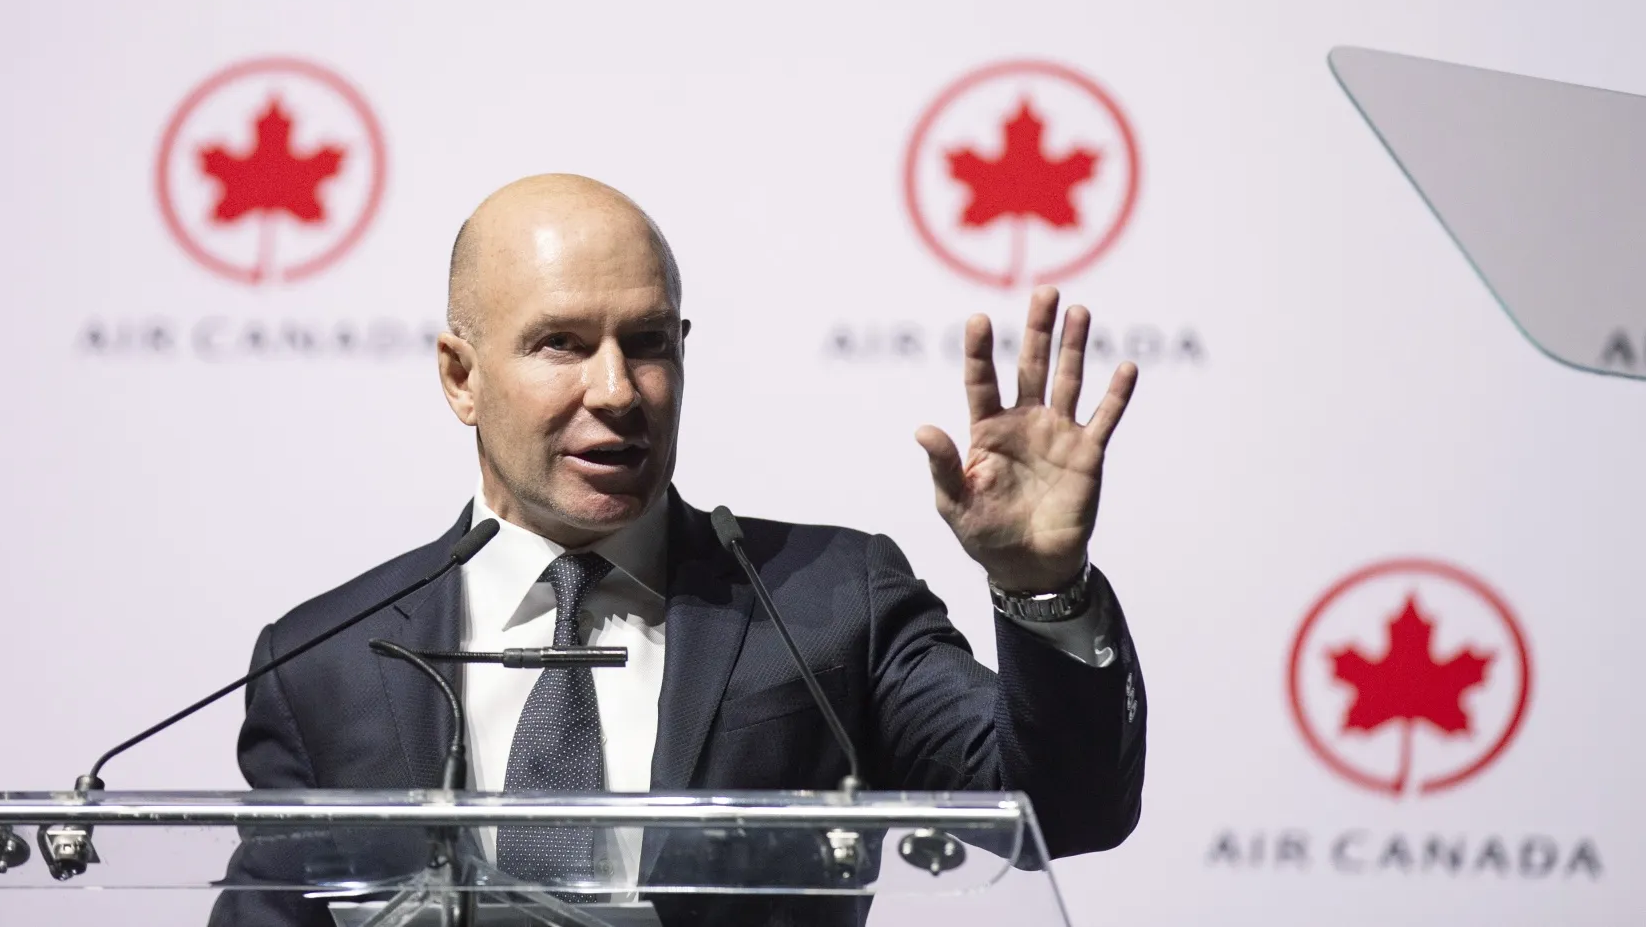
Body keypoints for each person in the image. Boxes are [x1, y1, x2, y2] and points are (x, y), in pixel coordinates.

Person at [225, 174, 1145, 921]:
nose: (619, 389)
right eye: (562, 344)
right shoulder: (324, 664)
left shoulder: (831, 600)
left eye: (649, 341)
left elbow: (1063, 807)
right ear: (461, 377)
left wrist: (1042, 585)